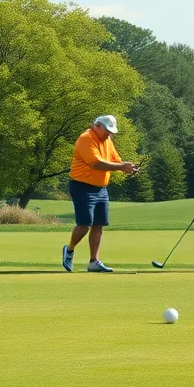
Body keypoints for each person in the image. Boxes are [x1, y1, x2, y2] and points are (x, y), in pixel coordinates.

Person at [62, 115, 138, 273]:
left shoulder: (107, 140)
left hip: (101, 188)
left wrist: (127, 167)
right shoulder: (86, 138)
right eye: (108, 131)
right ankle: (69, 250)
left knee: (99, 224)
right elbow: (95, 163)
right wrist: (121, 167)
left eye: (111, 132)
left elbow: (115, 159)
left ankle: (94, 261)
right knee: (84, 224)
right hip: (82, 186)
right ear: (98, 126)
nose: (109, 134)